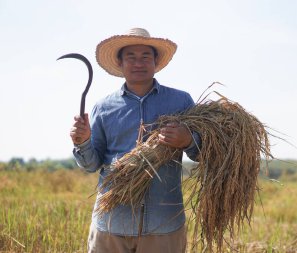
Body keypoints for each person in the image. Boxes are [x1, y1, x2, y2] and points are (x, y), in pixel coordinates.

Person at [70, 28, 201, 253]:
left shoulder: (181, 101)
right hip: (111, 224)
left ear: (156, 61)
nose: (138, 63)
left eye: (145, 57)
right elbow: (91, 164)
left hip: (164, 225)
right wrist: (82, 142)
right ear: (120, 63)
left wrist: (187, 139)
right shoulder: (104, 108)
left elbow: (201, 152)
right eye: (131, 57)